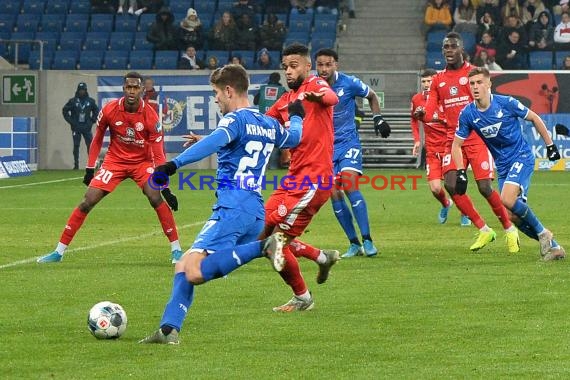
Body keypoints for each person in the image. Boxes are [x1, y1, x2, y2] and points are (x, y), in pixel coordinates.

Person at [138, 64, 305, 344]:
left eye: (216, 93)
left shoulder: (235, 120)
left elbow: (216, 141)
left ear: (229, 90)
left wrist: (174, 163)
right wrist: (298, 116)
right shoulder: (268, 123)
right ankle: (168, 329)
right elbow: (296, 137)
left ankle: (264, 247)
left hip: (232, 208)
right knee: (184, 265)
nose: (215, 99)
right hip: (253, 211)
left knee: (192, 269)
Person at [37, 72, 183, 264]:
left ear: (141, 90)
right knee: (87, 201)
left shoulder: (150, 116)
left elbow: (158, 154)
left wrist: (166, 188)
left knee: (155, 196)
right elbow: (97, 139)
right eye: (128, 87)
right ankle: (58, 252)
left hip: (142, 163)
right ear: (124, 88)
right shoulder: (109, 109)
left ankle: (176, 250)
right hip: (115, 161)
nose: (132, 91)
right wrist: (90, 168)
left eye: (135, 87)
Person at [416, 32, 519, 253]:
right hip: (453, 141)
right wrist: (423, 113)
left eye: (453, 46)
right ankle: (483, 229)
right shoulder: (438, 80)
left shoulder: (472, 75)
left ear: (461, 49)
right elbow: (431, 110)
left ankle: (509, 229)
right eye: (445, 47)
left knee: (484, 187)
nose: (449, 51)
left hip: (477, 138)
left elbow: (485, 101)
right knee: (451, 185)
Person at [453, 66, 565, 260]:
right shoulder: (468, 114)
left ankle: (543, 232)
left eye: (480, 82)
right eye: (472, 83)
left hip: (521, 156)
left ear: (489, 84)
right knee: (512, 215)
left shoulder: (506, 103)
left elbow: (534, 118)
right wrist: (461, 171)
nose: (476, 87)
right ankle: (554, 248)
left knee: (506, 199)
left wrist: (550, 145)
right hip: (503, 166)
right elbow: (456, 145)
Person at [263, 43, 341, 312]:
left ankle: (303, 298)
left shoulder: (315, 84)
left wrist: (313, 96)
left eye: (294, 65)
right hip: (293, 179)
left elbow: (332, 98)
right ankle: (321, 257)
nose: (288, 71)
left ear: (307, 66)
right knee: (263, 232)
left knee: (276, 243)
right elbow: (261, 125)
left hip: (315, 180)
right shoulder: (284, 102)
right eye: (285, 66)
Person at [314, 48, 389, 258]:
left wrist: (378, 119)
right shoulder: (311, 87)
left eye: (328, 64)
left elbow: (372, 96)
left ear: (336, 65)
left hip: (348, 143)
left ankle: (367, 240)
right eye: (320, 64)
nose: (324, 69)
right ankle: (354, 243)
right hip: (326, 149)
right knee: (333, 193)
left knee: (348, 184)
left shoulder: (349, 83)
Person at [410, 69, 456, 225]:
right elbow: (414, 120)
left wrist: (439, 119)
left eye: (429, 81)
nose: (426, 84)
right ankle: (446, 204)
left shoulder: (444, 99)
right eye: (423, 81)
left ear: (435, 82)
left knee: (453, 185)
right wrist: (417, 140)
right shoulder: (416, 99)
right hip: (431, 150)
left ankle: (465, 213)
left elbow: (453, 119)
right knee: (436, 189)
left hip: (448, 147)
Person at [62, 82, 99, 170]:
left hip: (87, 127)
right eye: (80, 90)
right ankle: (76, 165)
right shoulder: (73, 101)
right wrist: (71, 121)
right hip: (76, 127)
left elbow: (96, 111)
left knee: (90, 145)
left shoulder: (90, 101)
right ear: (78, 90)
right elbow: (65, 111)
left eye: (83, 90)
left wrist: (92, 121)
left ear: (86, 90)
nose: (81, 92)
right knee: (76, 145)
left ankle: (91, 164)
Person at [254, 72, 287, 169]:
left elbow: (255, 101)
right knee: (274, 146)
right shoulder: (282, 90)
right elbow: (287, 103)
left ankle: (262, 168)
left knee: (262, 145)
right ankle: (273, 167)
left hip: (261, 121)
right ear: (279, 79)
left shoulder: (263, 89)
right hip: (276, 122)